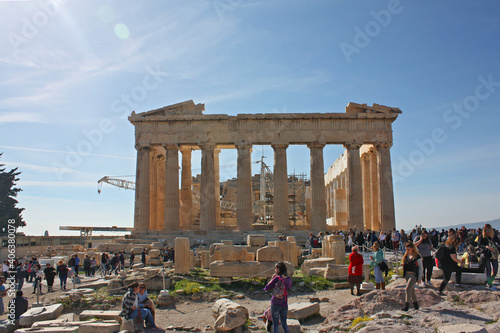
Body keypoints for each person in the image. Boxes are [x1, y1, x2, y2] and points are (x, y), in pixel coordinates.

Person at [263, 262, 292, 333]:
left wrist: (272, 279)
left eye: (276, 268)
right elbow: (289, 287)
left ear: (278, 269)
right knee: (284, 324)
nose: (275, 270)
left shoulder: (277, 278)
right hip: (284, 303)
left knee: (275, 325)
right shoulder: (289, 279)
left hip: (275, 303)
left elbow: (267, 288)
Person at [476, 223, 500, 291]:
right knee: (488, 270)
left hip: (494, 255)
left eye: (488, 229)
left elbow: (498, 243)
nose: (487, 231)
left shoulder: (494, 236)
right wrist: (486, 247)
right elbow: (480, 245)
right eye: (485, 229)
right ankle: (490, 284)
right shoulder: (482, 236)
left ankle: (489, 281)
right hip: (486, 255)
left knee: (495, 270)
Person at [401, 241, 423, 311]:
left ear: (412, 249)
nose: (407, 251)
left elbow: (421, 268)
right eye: (406, 249)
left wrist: (419, 278)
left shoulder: (417, 257)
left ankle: (406, 306)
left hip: (413, 275)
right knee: (411, 290)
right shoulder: (406, 256)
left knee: (407, 289)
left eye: (408, 249)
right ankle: (416, 304)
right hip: (407, 274)